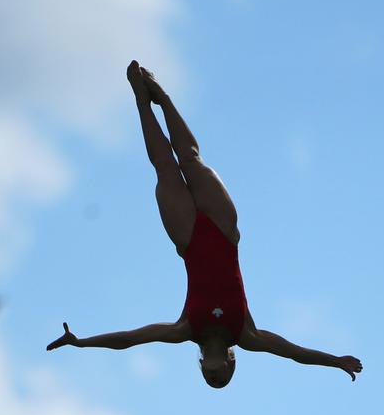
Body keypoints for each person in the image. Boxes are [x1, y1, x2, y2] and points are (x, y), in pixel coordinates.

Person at [47, 61, 363, 388]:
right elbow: (293, 352)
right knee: (191, 158)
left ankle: (141, 100)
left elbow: (130, 338)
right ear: (229, 362)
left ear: (201, 366)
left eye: (208, 377)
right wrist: (335, 361)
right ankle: (161, 96)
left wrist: (81, 342)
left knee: (165, 168)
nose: (213, 375)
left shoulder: (185, 328)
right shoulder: (246, 333)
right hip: (224, 230)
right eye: (220, 377)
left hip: (188, 238)